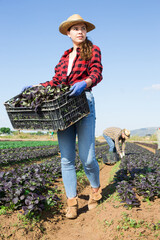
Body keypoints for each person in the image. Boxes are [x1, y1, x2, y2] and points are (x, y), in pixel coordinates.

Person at [24, 14, 103, 219]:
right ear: (68, 33)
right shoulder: (63, 58)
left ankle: (95, 190)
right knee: (67, 158)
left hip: (84, 102)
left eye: (83, 28)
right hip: (64, 107)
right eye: (75, 28)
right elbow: (56, 82)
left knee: (87, 158)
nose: (80, 31)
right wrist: (37, 86)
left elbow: (97, 73)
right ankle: (72, 202)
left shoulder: (93, 50)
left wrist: (85, 83)